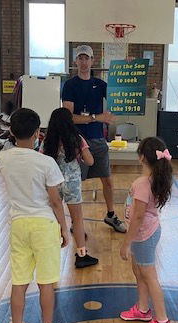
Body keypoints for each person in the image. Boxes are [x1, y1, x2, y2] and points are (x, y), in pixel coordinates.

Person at [0, 108, 69, 323]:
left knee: (19, 282)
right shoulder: (46, 163)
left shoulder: (3, 157)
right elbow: (56, 201)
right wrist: (65, 229)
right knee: (46, 283)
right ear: (38, 132)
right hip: (44, 225)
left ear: (11, 131)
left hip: (18, 224)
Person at [62, 44, 126, 233]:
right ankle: (76, 221)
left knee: (107, 179)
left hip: (98, 139)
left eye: (86, 58)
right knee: (76, 181)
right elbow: (68, 116)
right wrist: (96, 118)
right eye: (80, 58)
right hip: (77, 141)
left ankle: (111, 214)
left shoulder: (100, 85)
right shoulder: (70, 85)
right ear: (76, 61)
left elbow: (122, 91)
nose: (83, 62)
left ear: (92, 61)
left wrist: (126, 66)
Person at [119, 137, 173, 323]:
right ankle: (142, 310)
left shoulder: (143, 184)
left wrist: (126, 242)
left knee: (149, 275)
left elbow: (139, 216)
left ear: (142, 157)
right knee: (139, 271)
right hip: (144, 234)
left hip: (143, 235)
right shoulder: (152, 180)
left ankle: (162, 321)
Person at [41, 108, 99, 269]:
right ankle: (81, 255)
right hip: (72, 182)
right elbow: (90, 161)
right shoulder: (77, 138)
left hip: (53, 184)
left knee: (54, 221)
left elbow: (42, 160)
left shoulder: (48, 140)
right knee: (77, 220)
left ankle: (51, 255)